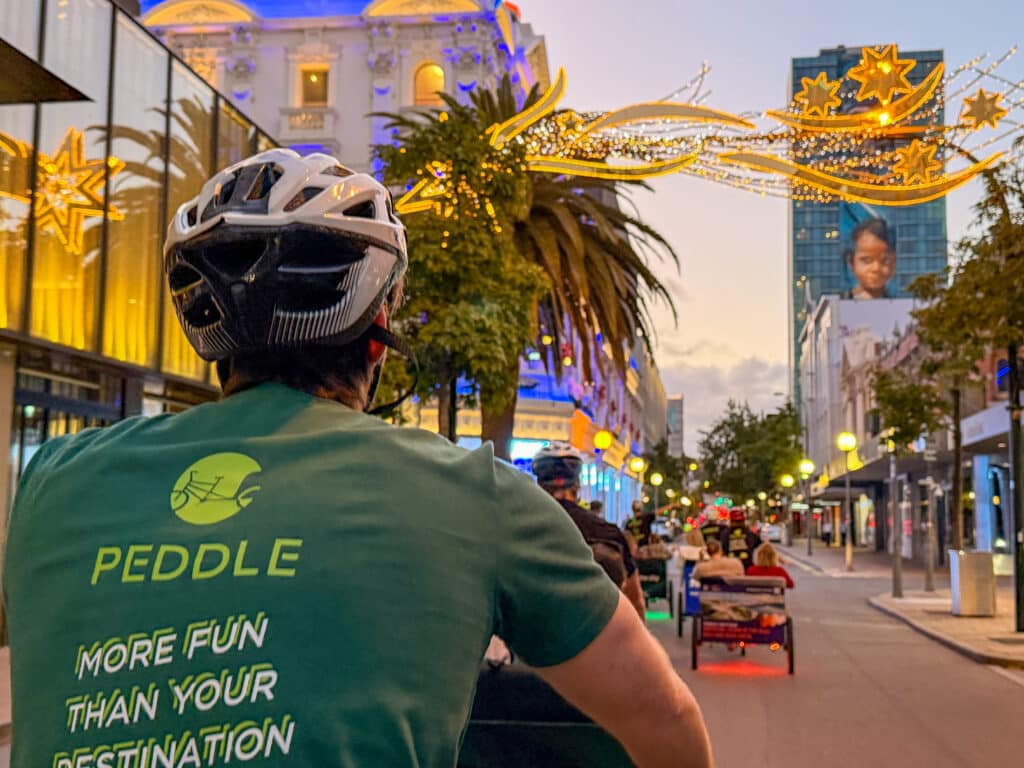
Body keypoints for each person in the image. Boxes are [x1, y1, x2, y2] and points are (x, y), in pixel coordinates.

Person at [3, 150, 712, 768]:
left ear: (212, 340)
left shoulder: (54, 481)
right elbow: (666, 720)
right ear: (377, 338)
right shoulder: (473, 492)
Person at [533, 443, 646, 619]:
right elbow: (636, 599)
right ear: (577, 485)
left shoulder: (520, 529)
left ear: (538, 485)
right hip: (597, 628)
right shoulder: (608, 533)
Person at [842, 217, 896, 300]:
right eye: (867, 260)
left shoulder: (901, 303)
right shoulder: (839, 302)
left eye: (885, 261)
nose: (876, 268)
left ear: (894, 263)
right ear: (851, 263)